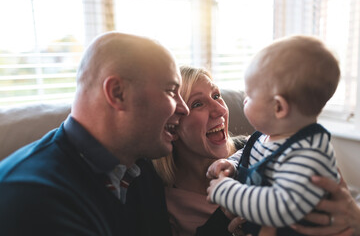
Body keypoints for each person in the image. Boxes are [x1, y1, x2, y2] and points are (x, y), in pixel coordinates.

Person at [0, 31, 190, 235]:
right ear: (118, 93)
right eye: (171, 91)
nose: (184, 108)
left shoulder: (139, 169)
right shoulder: (31, 195)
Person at [206, 35, 343, 235]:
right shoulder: (267, 137)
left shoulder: (308, 153)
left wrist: (227, 192)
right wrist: (232, 166)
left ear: (278, 107)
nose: (244, 100)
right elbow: (251, 157)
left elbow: (281, 206)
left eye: (250, 95)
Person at [128, 65, 248, 236]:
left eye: (216, 96)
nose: (220, 110)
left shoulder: (255, 151)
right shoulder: (155, 194)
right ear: (172, 126)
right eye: (198, 104)